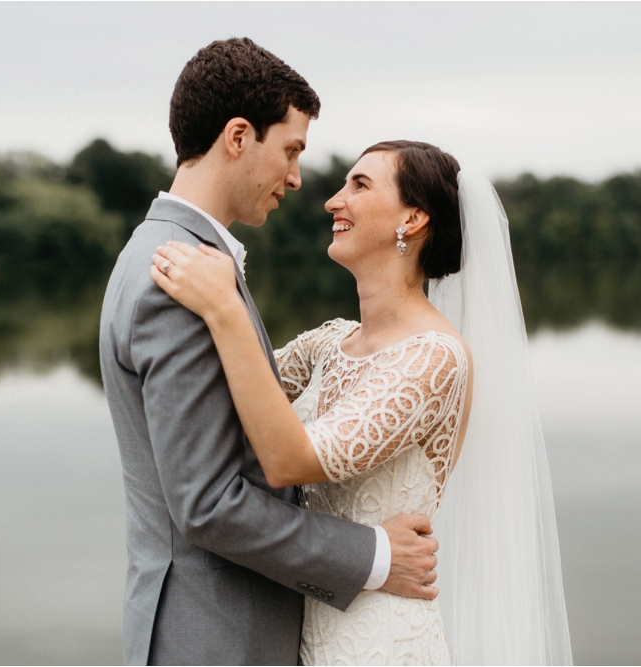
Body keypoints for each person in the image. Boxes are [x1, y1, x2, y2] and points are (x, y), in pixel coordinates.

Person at [151, 141, 573, 665]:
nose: (333, 200)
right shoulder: (330, 344)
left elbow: (291, 459)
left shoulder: (434, 359)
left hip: (381, 642)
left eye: (360, 185)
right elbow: (226, 402)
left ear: (414, 219)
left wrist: (225, 309)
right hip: (304, 630)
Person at [98, 39, 440, 666]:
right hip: (214, 637)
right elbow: (207, 504)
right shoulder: (177, 279)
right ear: (236, 137)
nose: (298, 178)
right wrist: (376, 556)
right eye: (290, 149)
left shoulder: (177, 257)